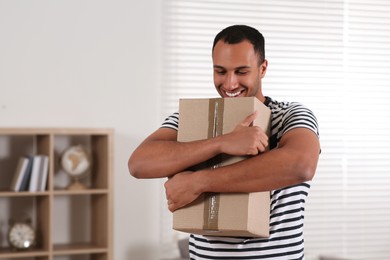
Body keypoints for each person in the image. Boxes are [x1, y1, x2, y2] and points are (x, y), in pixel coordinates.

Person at [128, 25, 320, 260]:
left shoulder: (290, 115)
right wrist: (223, 143)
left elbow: (300, 166)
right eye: (220, 71)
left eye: (241, 71)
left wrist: (197, 182)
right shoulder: (193, 119)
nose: (229, 84)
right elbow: (139, 163)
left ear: (262, 68)